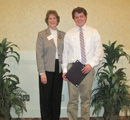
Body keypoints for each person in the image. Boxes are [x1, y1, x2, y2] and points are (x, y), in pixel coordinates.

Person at [62, 7, 104, 120]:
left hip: (88, 68)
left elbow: (99, 51)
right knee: (72, 99)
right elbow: (65, 53)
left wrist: (91, 64)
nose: (79, 19)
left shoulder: (93, 32)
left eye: (81, 16)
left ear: (85, 17)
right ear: (73, 19)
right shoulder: (69, 34)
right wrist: (65, 70)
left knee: (86, 98)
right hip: (73, 69)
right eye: (76, 17)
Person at [36, 10, 65, 120]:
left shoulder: (63, 35)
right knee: (45, 97)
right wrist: (41, 72)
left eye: (54, 18)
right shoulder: (42, 34)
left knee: (56, 97)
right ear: (47, 20)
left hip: (59, 69)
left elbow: (66, 53)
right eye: (50, 18)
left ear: (57, 20)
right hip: (46, 69)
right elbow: (39, 54)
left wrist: (65, 69)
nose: (52, 20)